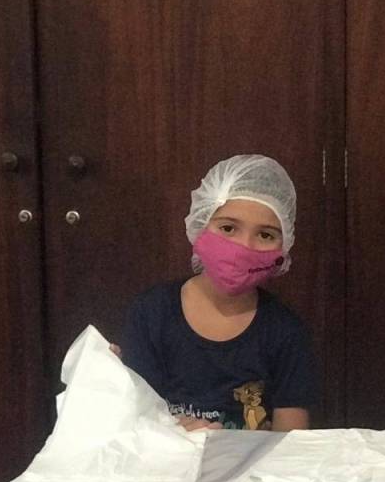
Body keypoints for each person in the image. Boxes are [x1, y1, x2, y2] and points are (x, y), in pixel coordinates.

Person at [119, 154, 315, 432]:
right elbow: (133, 424)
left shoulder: (286, 333)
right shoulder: (151, 314)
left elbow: (292, 442)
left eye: (266, 235)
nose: (244, 246)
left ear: (283, 247)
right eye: (228, 228)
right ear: (200, 225)